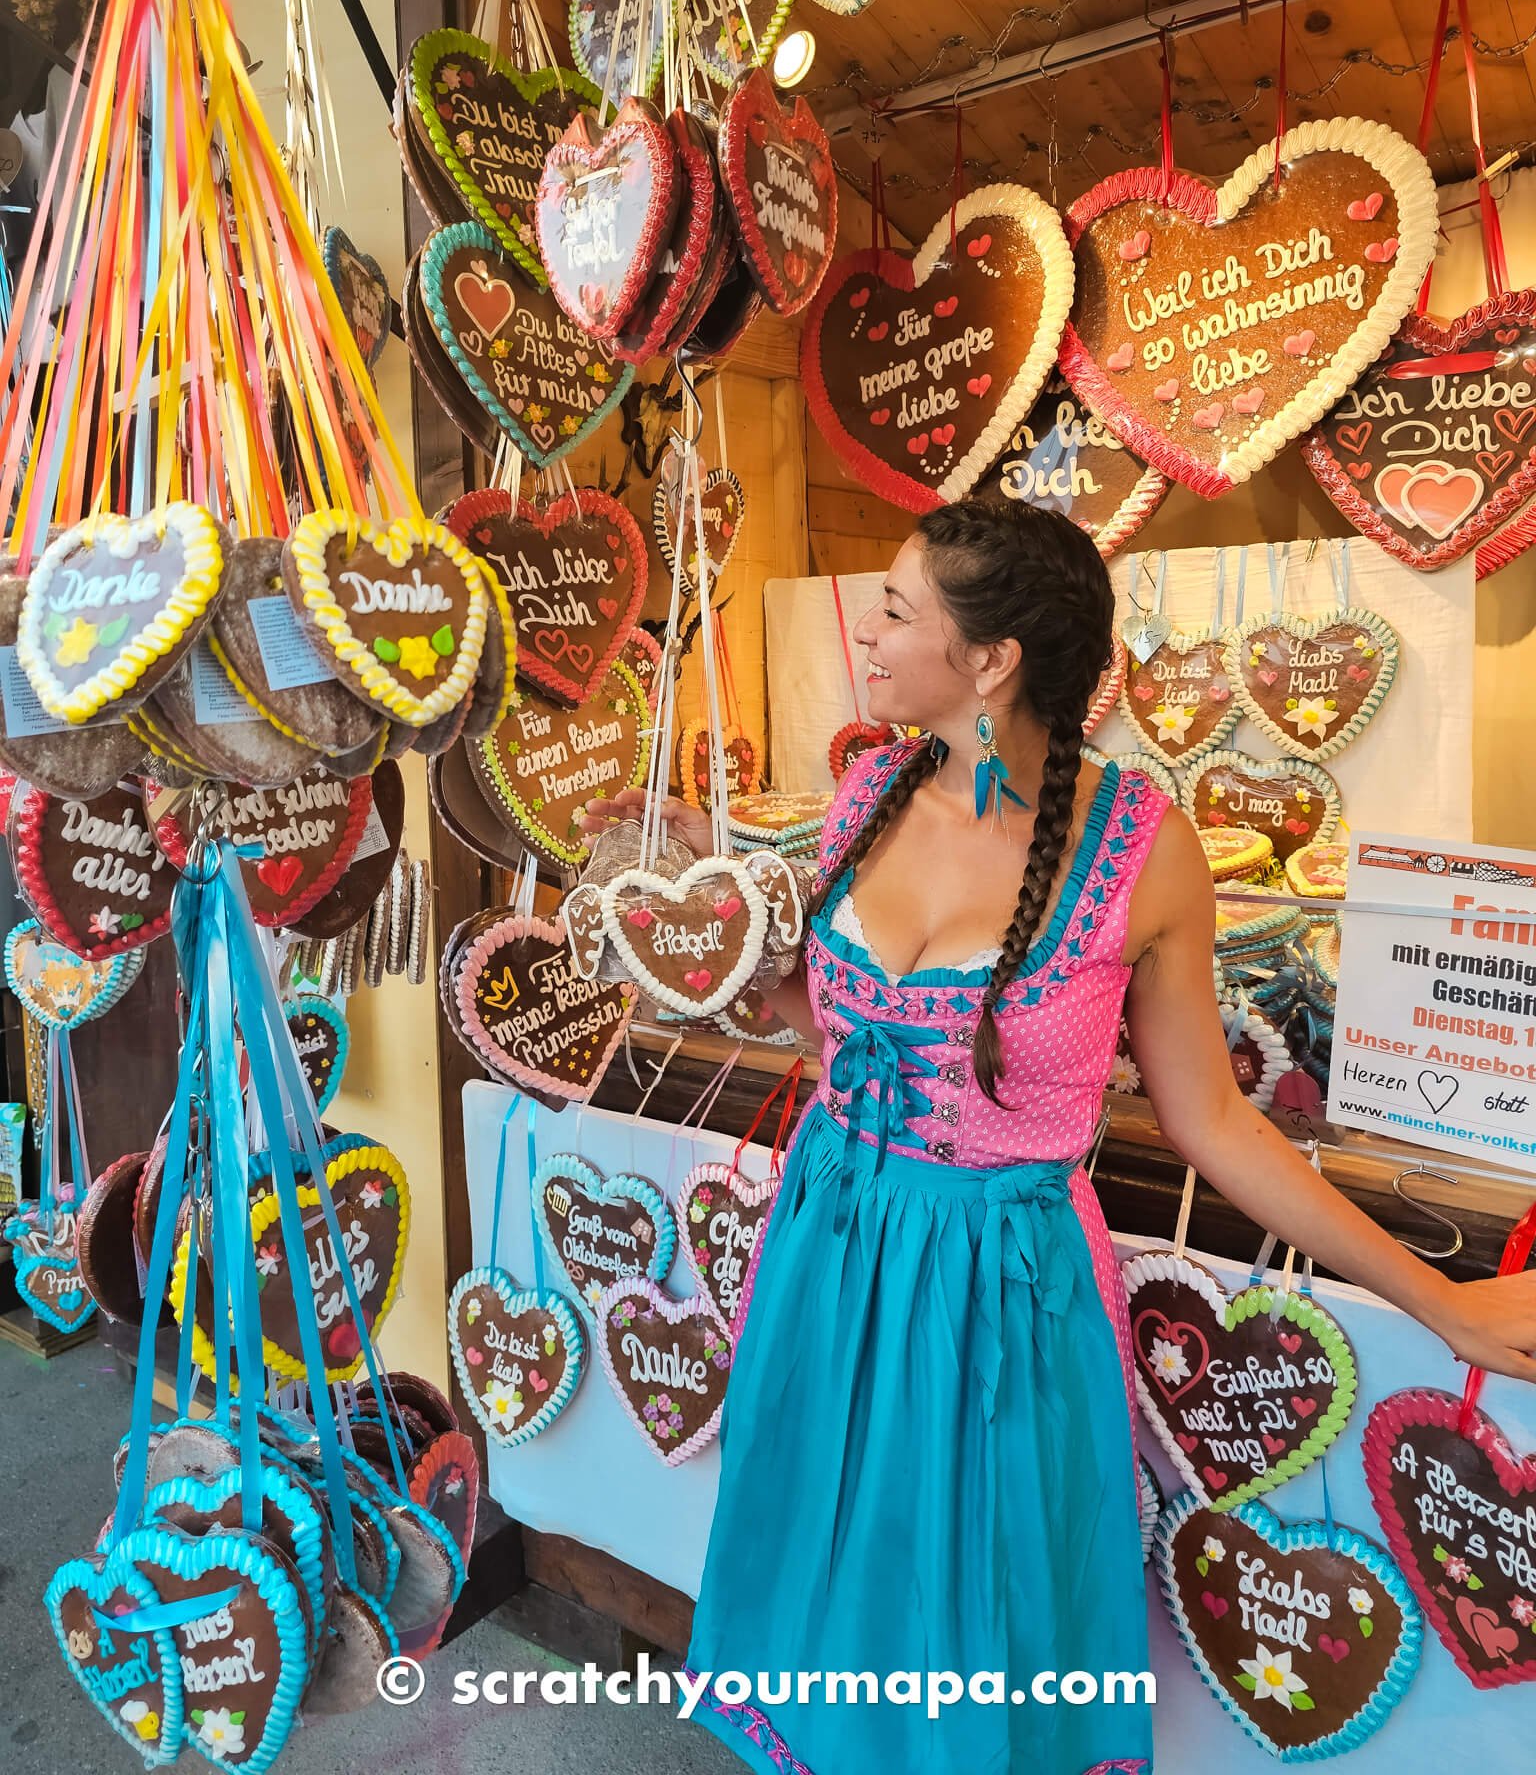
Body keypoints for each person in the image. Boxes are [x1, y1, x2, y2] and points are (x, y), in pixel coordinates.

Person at [581, 495, 1536, 1775]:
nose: (869, 621)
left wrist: (1447, 1303)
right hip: (828, 1251)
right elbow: (829, 1030)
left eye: (902, 605)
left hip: (1000, 1291)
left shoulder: (1147, 851)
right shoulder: (866, 787)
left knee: (978, 1611)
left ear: (992, 659)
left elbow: (1218, 1127)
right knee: (827, 1559)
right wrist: (724, 954)